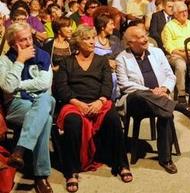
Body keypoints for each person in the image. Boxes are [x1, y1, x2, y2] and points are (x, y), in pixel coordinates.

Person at [54, 25, 132, 192]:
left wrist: (100, 101)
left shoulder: (102, 60)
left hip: (99, 102)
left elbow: (107, 84)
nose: (91, 41)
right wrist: (78, 104)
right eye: (87, 38)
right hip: (74, 104)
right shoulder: (66, 62)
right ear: (77, 42)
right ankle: (72, 171)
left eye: (92, 37)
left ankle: (121, 164)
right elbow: (61, 87)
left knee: (113, 120)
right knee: (73, 123)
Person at [116, 26, 190, 174]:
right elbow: (124, 85)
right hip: (137, 101)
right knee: (139, 94)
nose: (145, 39)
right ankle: (180, 107)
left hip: (161, 97)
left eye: (145, 35)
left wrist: (165, 88)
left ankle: (165, 159)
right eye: (140, 37)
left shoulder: (157, 52)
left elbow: (170, 75)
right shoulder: (121, 58)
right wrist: (150, 91)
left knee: (165, 112)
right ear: (130, 43)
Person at [0, 22, 55, 193]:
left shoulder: (43, 56)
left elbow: (45, 83)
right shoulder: (4, 60)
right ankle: (41, 176)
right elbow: (8, 88)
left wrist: (19, 84)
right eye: (22, 40)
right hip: (17, 105)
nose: (29, 43)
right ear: (12, 43)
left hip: (40, 101)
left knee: (45, 99)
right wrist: (20, 60)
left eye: (29, 38)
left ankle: (20, 150)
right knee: (45, 119)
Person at [161, 1, 190, 103]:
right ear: (175, 14)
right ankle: (181, 94)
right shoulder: (169, 26)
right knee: (181, 65)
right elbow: (168, 46)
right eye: (182, 11)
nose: (185, 13)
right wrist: (183, 54)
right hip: (177, 54)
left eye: (186, 11)